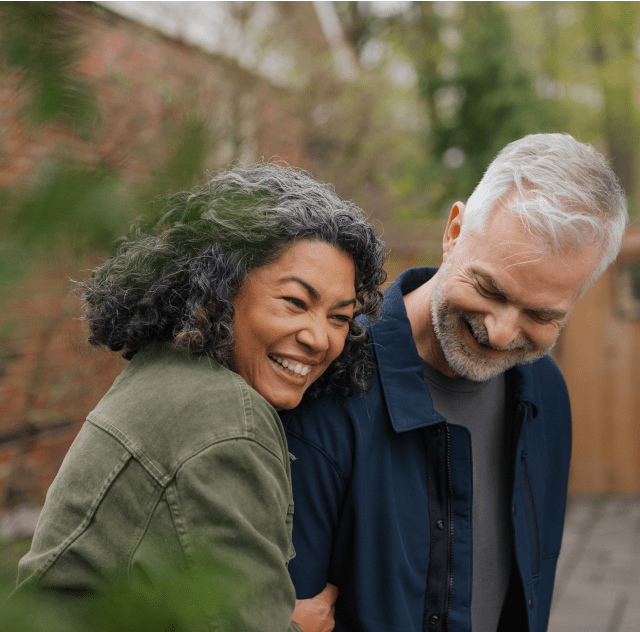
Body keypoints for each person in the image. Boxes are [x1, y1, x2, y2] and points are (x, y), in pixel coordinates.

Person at [4, 163, 386, 632]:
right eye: (295, 302)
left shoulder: (167, 372)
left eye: (341, 318)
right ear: (221, 289)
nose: (319, 338)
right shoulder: (227, 417)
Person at [282, 134, 628, 632]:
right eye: (489, 288)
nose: (503, 333)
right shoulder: (328, 382)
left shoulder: (546, 392)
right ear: (454, 230)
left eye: (541, 314)